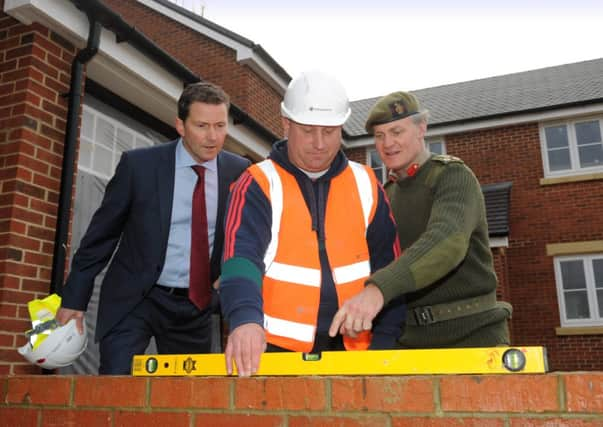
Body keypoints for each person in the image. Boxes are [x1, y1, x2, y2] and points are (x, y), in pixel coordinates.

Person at [56, 82, 251, 374]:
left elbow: (247, 235)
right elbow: (101, 236)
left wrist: (230, 276)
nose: (213, 137)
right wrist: (74, 299)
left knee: (185, 402)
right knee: (115, 388)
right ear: (180, 126)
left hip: (196, 305)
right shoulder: (139, 166)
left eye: (220, 125)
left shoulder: (239, 172)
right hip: (135, 298)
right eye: (201, 125)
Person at [219, 70, 404, 377]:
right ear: (286, 124)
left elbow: (390, 267)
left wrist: (384, 344)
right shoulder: (257, 183)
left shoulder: (366, 183)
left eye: (329, 132)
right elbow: (240, 260)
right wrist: (244, 319)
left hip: (358, 354)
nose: (319, 144)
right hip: (274, 353)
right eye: (307, 131)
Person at [329, 90, 512, 348]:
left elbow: (447, 240)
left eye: (397, 132)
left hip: (473, 337)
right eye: (379, 136)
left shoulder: (452, 177)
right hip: (409, 341)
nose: (387, 144)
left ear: (421, 128)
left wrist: (377, 290)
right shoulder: (385, 195)